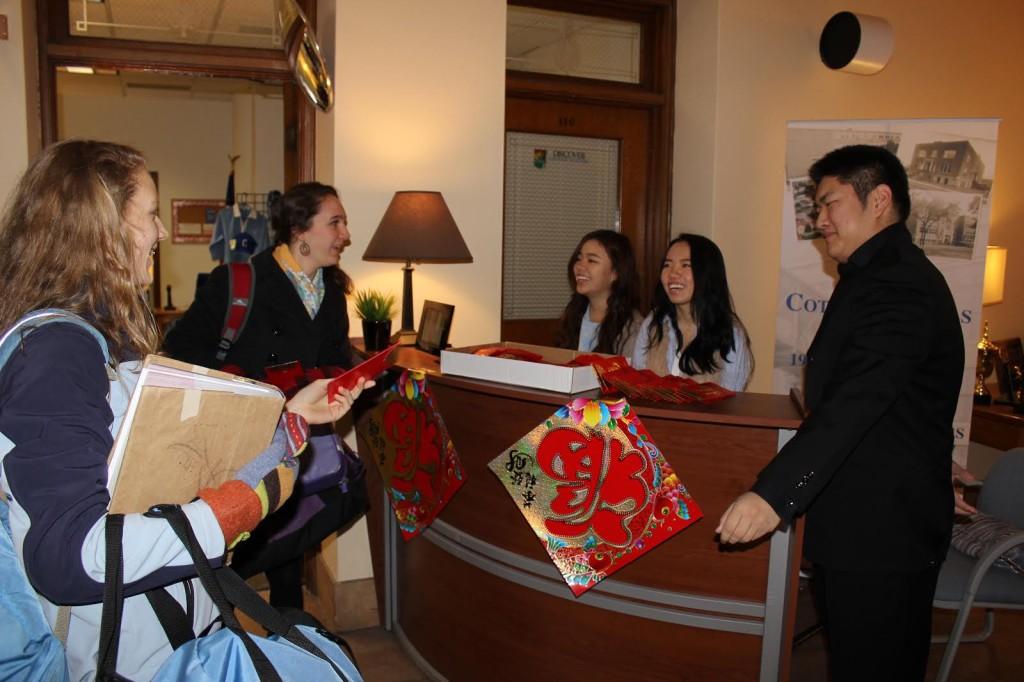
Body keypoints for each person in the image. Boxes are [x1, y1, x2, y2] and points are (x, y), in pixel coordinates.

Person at [0, 139, 367, 680]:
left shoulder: (96, 340)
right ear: (103, 228)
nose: (162, 233)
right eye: (150, 214)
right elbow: (70, 556)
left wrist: (288, 414)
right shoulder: (57, 352)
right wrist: (228, 512)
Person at [716, 145, 964, 681]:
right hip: (863, 517)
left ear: (879, 200)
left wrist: (773, 494)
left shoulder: (899, 284)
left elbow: (860, 400)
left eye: (829, 204)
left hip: (882, 532)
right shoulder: (873, 276)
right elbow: (883, 396)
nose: (818, 221)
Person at [163, 181, 362, 610]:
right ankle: (221, 609)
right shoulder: (238, 282)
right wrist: (253, 392)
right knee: (249, 533)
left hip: (301, 438)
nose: (345, 234)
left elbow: (335, 358)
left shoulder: (332, 293)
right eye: (336, 222)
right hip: (244, 444)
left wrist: (350, 381)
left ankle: (286, 627)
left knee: (296, 532)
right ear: (300, 230)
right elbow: (182, 354)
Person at [631, 234, 753, 391]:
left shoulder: (730, 333)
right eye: (667, 265)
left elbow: (731, 402)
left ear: (707, 274)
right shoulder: (654, 322)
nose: (673, 273)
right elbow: (635, 385)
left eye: (685, 265)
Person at [554, 229, 642, 356]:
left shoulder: (633, 329)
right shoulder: (572, 314)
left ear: (615, 272)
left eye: (591, 260)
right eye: (579, 258)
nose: (579, 266)